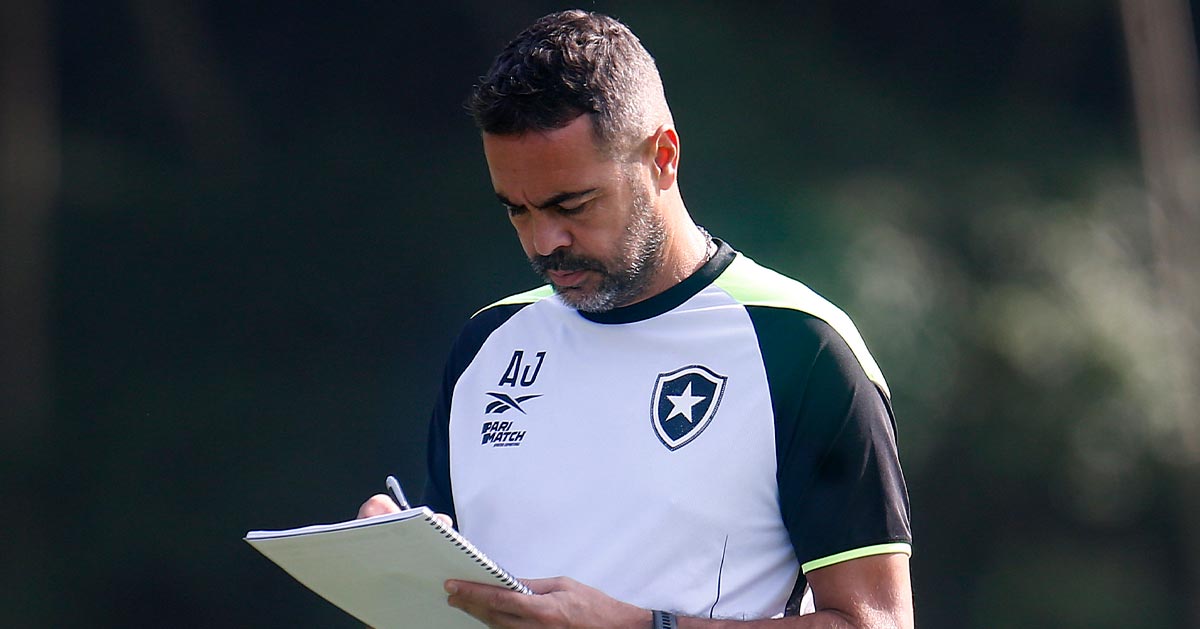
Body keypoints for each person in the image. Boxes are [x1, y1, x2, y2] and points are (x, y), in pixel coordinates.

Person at [359, 10, 913, 628]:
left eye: (572, 204)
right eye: (517, 210)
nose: (544, 242)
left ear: (662, 157)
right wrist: (406, 563)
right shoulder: (486, 345)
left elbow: (877, 623)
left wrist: (641, 626)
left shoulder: (800, 346)